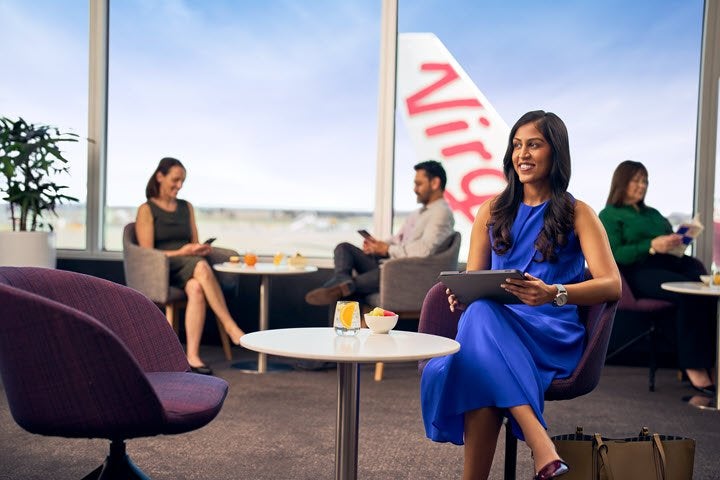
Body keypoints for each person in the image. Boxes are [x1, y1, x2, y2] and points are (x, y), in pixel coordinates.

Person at [420, 111, 621, 480]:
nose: (522, 154)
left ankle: (528, 442)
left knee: (477, 340)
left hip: (550, 332)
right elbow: (476, 279)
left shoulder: (580, 213)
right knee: (478, 315)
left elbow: (612, 284)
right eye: (516, 145)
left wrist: (553, 293)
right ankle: (538, 439)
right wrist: (462, 296)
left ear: (555, 152)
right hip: (496, 327)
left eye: (534, 144)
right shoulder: (491, 211)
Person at [599, 160, 716, 394]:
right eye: (636, 180)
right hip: (639, 269)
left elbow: (666, 237)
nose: (642, 186)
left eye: (645, 181)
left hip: (670, 262)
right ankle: (694, 367)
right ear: (622, 182)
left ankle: (710, 360)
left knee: (705, 286)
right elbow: (614, 254)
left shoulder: (653, 213)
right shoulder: (609, 215)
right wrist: (651, 245)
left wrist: (675, 240)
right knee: (688, 294)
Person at [135, 157, 245, 375]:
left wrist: (198, 249)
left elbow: (193, 240)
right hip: (162, 268)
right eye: (175, 180)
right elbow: (147, 253)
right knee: (202, 268)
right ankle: (230, 326)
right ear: (160, 177)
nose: (179, 186)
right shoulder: (147, 209)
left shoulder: (187, 207)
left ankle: (192, 356)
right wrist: (182, 252)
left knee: (196, 287)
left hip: (189, 263)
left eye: (182, 181)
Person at [304, 160, 455, 305]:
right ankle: (341, 281)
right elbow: (397, 239)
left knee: (344, 291)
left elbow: (425, 250)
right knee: (344, 248)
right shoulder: (417, 214)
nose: (415, 189)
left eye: (419, 184)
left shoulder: (441, 213)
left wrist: (387, 250)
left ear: (435, 183)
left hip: (404, 272)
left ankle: (340, 287)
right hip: (388, 264)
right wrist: (378, 246)